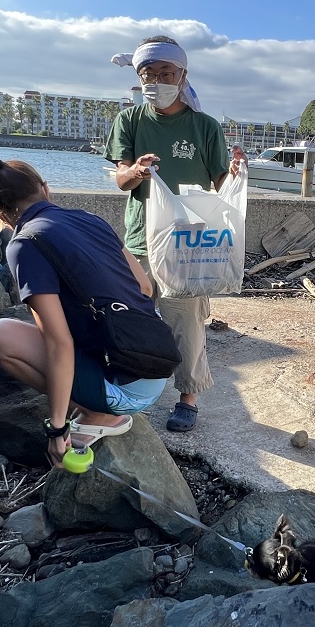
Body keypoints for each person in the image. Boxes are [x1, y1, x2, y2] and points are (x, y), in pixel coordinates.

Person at [0, 150, 168, 469]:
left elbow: (58, 343)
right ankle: (101, 398)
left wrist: (57, 427)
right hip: (155, 366)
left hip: (127, 392)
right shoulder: (91, 219)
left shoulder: (25, 244)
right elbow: (145, 288)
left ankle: (101, 415)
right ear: (45, 188)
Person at [105, 35, 245, 432]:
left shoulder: (204, 126)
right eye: (148, 74)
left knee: (185, 320)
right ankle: (132, 388)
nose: (157, 80)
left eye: (166, 73)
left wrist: (234, 173)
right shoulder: (129, 121)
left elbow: (220, 182)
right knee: (131, 317)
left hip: (190, 243)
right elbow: (121, 179)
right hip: (139, 238)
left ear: (182, 75)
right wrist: (137, 171)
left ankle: (188, 396)